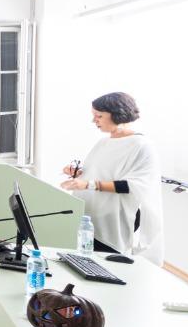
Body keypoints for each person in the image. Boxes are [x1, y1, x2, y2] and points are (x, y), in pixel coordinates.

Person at [60, 91, 164, 263]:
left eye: (99, 116)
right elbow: (98, 173)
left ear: (117, 114)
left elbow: (133, 185)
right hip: (90, 215)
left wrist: (89, 184)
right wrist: (77, 172)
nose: (94, 121)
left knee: (105, 263)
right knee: (84, 261)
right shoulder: (103, 143)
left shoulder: (142, 145)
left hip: (113, 218)